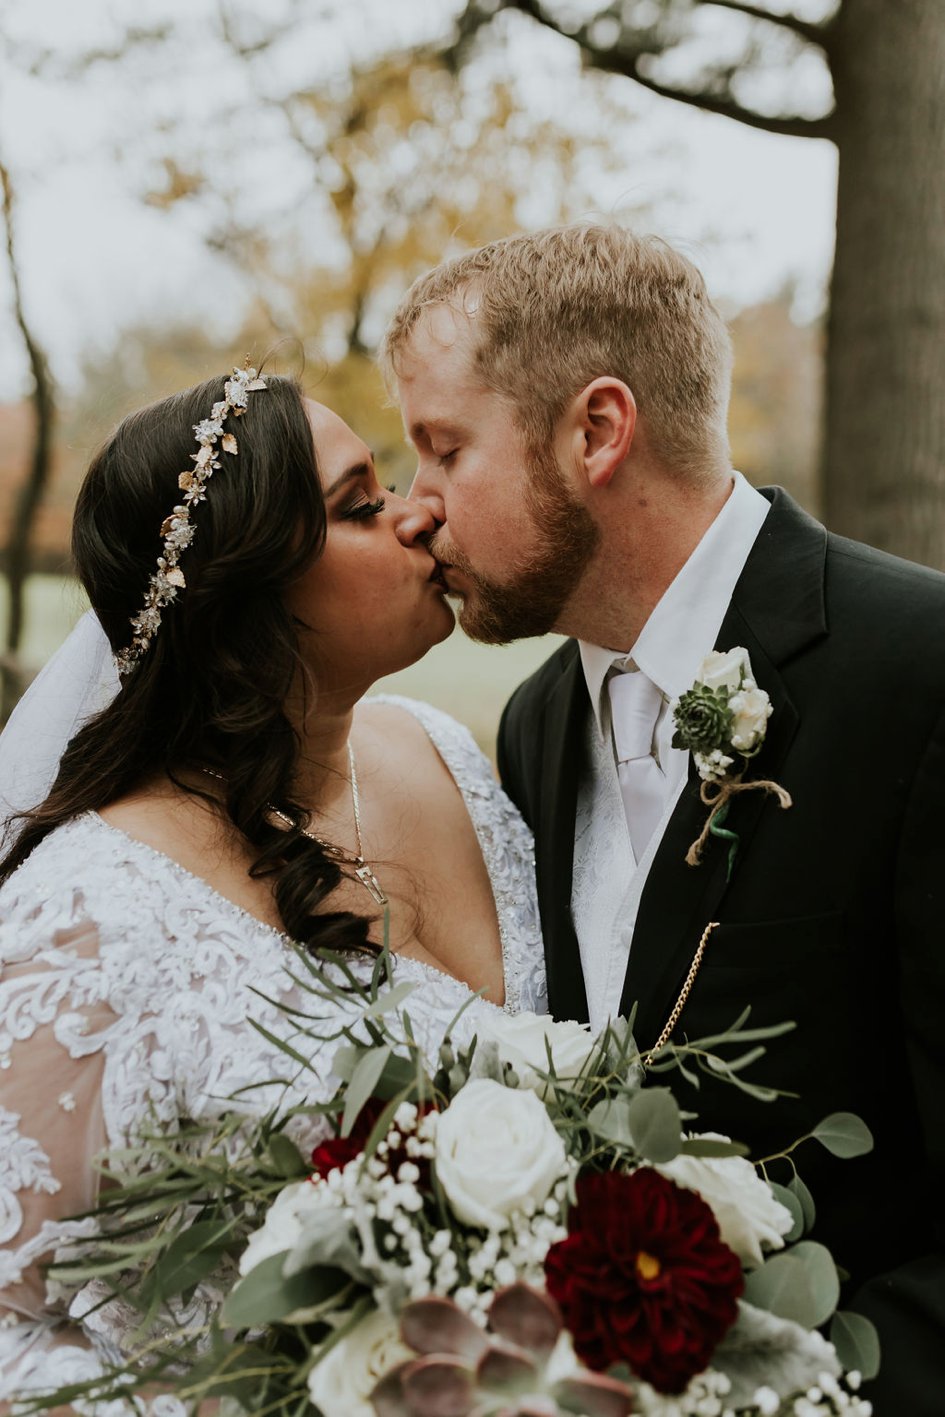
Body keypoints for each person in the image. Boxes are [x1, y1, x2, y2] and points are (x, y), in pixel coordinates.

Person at [384, 224, 945, 1413]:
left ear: (596, 430)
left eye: (443, 449)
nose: (417, 511)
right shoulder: (538, 724)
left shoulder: (919, 674)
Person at [0, 367, 545, 1398]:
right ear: (243, 590)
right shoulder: (83, 922)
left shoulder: (442, 756)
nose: (418, 515)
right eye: (359, 505)